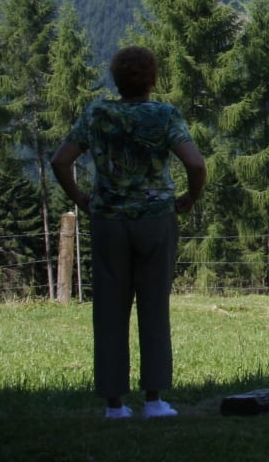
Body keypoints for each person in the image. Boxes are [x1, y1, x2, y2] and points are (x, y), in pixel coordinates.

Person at [51, 45, 205, 419]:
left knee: (109, 311)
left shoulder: (97, 114)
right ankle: (154, 400)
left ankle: (114, 404)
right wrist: (190, 197)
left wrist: (80, 198)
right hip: (155, 219)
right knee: (154, 308)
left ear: (116, 79)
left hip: (108, 221)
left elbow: (60, 161)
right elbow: (196, 164)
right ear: (152, 79)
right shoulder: (165, 115)